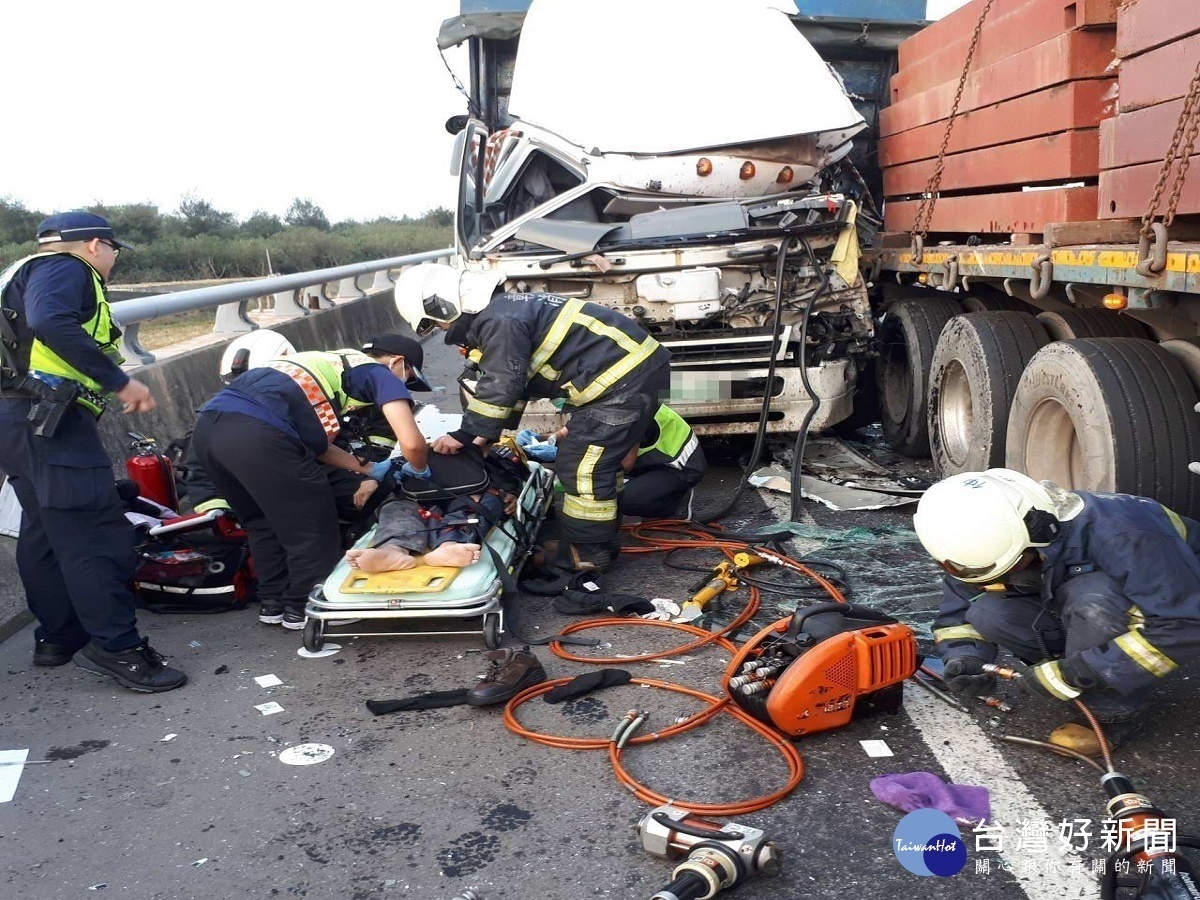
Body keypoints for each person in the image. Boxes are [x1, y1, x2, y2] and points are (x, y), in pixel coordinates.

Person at [0, 212, 186, 692]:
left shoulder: (17, 275)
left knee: (43, 530)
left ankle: (59, 638)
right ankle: (118, 649)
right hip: (49, 421)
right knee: (93, 533)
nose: (112, 260)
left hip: (14, 421)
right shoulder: (67, 268)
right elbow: (51, 322)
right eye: (113, 251)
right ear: (95, 245)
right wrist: (119, 381)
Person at [394, 263, 671, 573]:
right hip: (630, 378)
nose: (443, 331)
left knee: (582, 467)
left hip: (619, 386)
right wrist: (485, 436)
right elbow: (517, 384)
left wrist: (464, 435)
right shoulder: (505, 311)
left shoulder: (499, 321)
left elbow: (502, 383)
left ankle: (589, 552)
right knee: (598, 465)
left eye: (437, 323)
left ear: (443, 305)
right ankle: (600, 538)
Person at [913, 468, 1200, 757]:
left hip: (1173, 601)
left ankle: (1111, 713)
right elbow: (960, 610)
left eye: (1015, 566)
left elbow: (1186, 624)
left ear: (1037, 537)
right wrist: (965, 657)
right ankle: (1079, 671)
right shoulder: (978, 541)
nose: (1006, 575)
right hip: (1084, 604)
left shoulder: (1125, 533)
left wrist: (1082, 671)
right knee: (988, 610)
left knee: (1092, 599)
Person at [190, 336, 431, 629]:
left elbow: (319, 448)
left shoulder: (311, 369)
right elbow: (413, 443)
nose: (403, 386)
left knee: (262, 523)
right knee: (312, 523)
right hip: (258, 433)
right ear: (397, 362)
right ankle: (308, 605)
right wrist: (418, 469)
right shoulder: (378, 372)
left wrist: (370, 468)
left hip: (209, 431)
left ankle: (273, 603)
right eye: (407, 379)